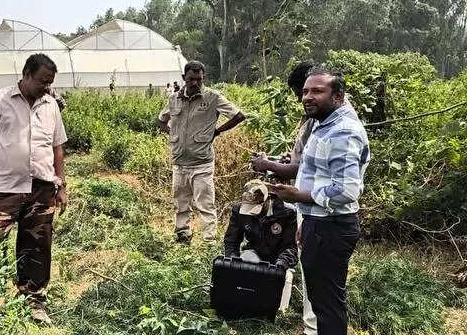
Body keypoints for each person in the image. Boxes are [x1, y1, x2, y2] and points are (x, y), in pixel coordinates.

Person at [270, 67, 370, 335]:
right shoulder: (324, 125)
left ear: (338, 96)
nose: (307, 97)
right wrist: (308, 217)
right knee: (321, 300)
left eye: (317, 91)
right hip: (320, 222)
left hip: (333, 227)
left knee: (328, 304)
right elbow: (320, 176)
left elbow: (347, 190)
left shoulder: (343, 131)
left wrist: (299, 196)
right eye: (304, 91)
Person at [0, 53, 68, 324]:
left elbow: (57, 148)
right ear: (26, 75)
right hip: (5, 189)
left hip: (42, 188)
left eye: (50, 82)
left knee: (37, 246)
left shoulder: (51, 105)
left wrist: (61, 185)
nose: (47, 87)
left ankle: (34, 301)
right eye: (42, 81)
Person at [158, 61, 245, 244]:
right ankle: (183, 236)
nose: (195, 83)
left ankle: (209, 242)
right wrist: (172, 133)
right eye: (191, 79)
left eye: (199, 79)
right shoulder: (174, 99)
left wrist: (217, 131)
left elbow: (239, 116)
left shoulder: (212, 97)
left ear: (203, 78)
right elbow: (161, 119)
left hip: (202, 164)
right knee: (181, 203)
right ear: (184, 78)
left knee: (205, 205)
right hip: (179, 163)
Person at [223, 179, 298, 311]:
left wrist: (281, 263)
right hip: (255, 251)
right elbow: (231, 240)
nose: (251, 212)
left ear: (267, 200)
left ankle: (280, 312)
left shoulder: (287, 212)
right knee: (244, 262)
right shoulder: (239, 211)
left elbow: (291, 246)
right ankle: (247, 303)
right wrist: (232, 260)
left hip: (279, 255)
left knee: (284, 277)